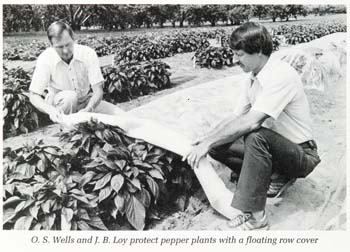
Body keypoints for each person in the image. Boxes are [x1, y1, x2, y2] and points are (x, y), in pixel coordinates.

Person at [183, 22, 321, 230]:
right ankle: (272, 177)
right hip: (276, 151)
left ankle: (255, 214)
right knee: (216, 145)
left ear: (258, 52)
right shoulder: (251, 79)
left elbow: (252, 121)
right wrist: (206, 139)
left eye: (239, 55)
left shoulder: (280, 75)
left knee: (255, 135)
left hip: (301, 153)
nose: (235, 60)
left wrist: (209, 139)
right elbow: (235, 117)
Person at [29, 21, 122, 124]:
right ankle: (66, 128)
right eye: (59, 47)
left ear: (73, 39)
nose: (65, 51)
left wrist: (88, 109)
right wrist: (51, 110)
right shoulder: (45, 58)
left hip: (87, 101)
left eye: (68, 44)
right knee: (70, 98)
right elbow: (34, 95)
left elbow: (98, 90)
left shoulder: (87, 53)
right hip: (62, 104)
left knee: (121, 117)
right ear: (51, 45)